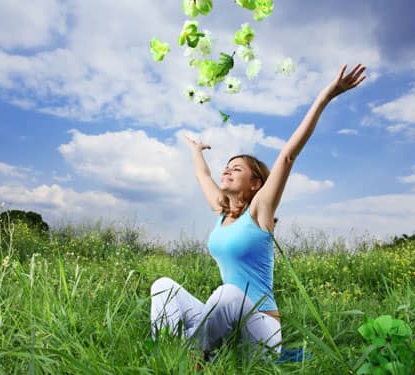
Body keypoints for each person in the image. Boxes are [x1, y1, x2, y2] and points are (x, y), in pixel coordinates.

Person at [150, 64, 367, 358]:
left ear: (255, 184)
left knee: (226, 295)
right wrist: (196, 150)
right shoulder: (222, 211)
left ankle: (190, 354)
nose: (226, 169)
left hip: (261, 329)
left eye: (236, 168)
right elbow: (203, 176)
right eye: (227, 165)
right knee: (163, 286)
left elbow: (288, 155)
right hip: (227, 320)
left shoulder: (259, 212)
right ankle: (166, 352)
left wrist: (325, 97)